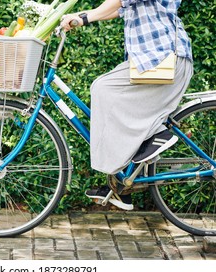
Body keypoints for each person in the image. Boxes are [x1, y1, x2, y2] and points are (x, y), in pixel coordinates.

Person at [60, 0, 193, 210]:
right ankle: (123, 185)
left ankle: (158, 134)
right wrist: (78, 17)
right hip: (154, 61)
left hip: (165, 60)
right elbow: (115, 10)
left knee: (103, 88)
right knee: (107, 93)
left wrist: (85, 17)